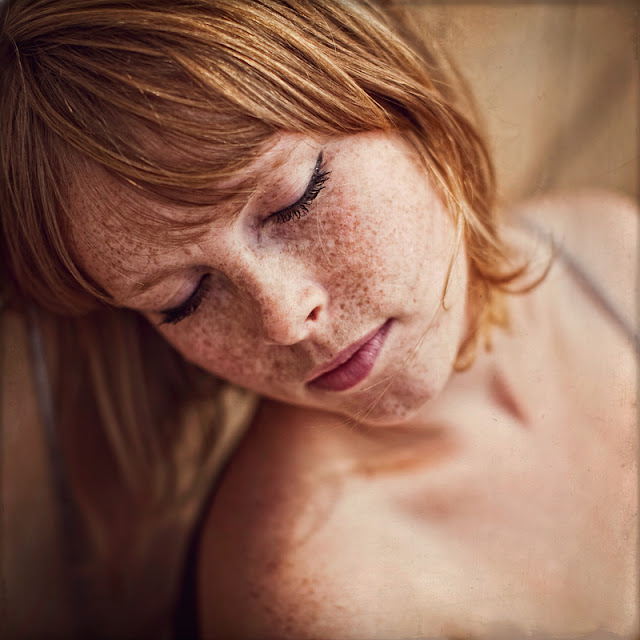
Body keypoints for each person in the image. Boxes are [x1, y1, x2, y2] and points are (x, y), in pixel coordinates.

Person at [1, 0, 637, 638]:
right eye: (182, 299)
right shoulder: (316, 603)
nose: (284, 320)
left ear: (388, 82)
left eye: (294, 201)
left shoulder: (604, 254)